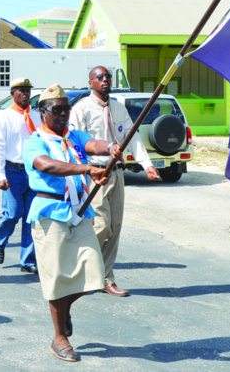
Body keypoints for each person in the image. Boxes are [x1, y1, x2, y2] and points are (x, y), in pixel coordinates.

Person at [24, 84, 113, 362]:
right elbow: (47, 165)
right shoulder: (34, 141)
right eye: (57, 109)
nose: (64, 114)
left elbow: (93, 145)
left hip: (79, 211)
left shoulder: (74, 136)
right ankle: (58, 337)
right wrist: (87, 168)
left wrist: (111, 147)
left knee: (94, 273)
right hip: (50, 213)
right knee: (57, 279)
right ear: (43, 112)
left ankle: (64, 310)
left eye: (67, 109)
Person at [70, 66, 159, 297]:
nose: (105, 80)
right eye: (99, 77)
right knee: (101, 226)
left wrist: (146, 164)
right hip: (96, 173)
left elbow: (132, 136)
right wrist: (82, 173)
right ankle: (84, 267)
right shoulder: (81, 109)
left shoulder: (119, 107)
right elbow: (74, 143)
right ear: (91, 82)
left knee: (116, 227)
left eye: (108, 76)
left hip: (117, 173)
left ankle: (106, 278)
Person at [0, 78, 40, 273]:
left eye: (27, 90)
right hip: (12, 171)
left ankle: (28, 260)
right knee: (13, 213)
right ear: (13, 93)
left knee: (31, 217)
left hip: (32, 171)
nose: (25, 93)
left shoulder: (35, 116)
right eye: (21, 90)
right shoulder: (4, 117)